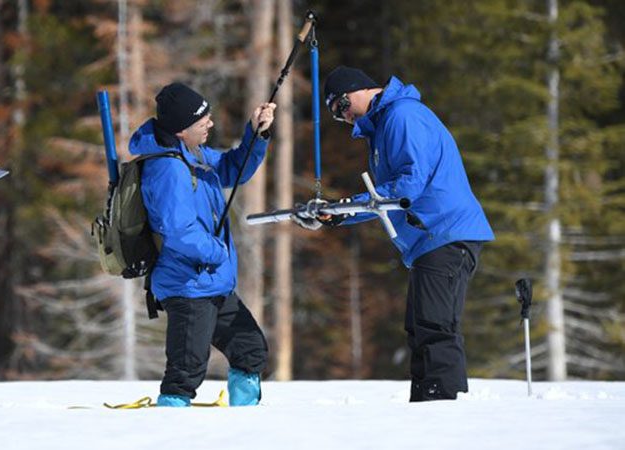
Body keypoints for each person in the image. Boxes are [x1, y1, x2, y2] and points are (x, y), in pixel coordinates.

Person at [294, 66, 495, 401]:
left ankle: (442, 406)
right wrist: (337, 215)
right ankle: (426, 403)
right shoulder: (382, 127)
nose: (343, 117)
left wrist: (346, 206)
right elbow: (382, 200)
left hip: (444, 231)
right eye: (335, 114)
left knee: (434, 326)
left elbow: (408, 185)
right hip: (427, 241)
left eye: (342, 106)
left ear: (359, 90)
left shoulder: (402, 116)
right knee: (420, 328)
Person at [128, 82, 275, 407]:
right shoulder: (167, 169)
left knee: (250, 349)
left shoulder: (192, 155)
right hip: (188, 285)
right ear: (181, 130)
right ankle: (168, 431)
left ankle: (245, 428)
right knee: (186, 372)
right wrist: (216, 251)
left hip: (211, 281)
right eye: (202, 120)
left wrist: (256, 133)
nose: (210, 123)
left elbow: (231, 170)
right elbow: (179, 231)